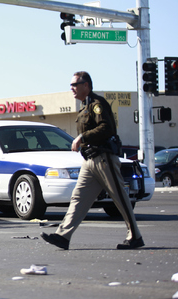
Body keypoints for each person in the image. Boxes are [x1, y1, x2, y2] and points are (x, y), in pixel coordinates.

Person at [41, 71, 144, 250]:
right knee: (78, 198)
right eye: (71, 85)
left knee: (120, 197)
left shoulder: (97, 104)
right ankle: (63, 236)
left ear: (86, 85)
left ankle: (135, 236)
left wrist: (83, 136)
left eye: (75, 84)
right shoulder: (84, 107)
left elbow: (107, 128)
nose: (72, 88)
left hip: (103, 158)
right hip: (89, 161)